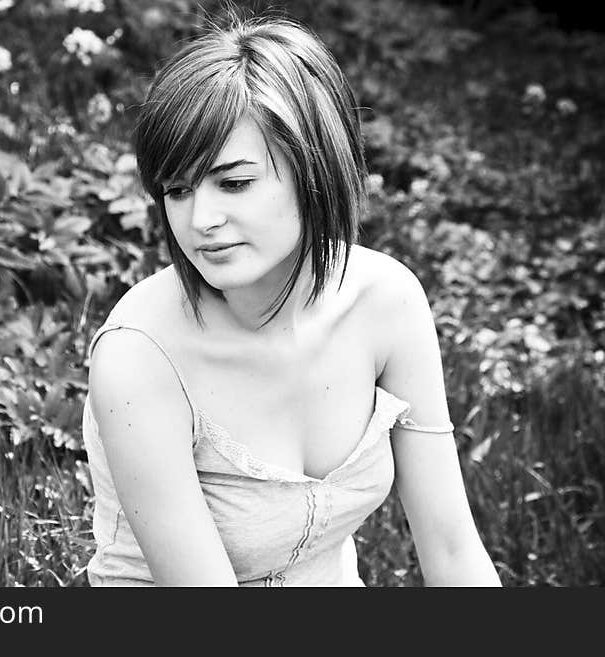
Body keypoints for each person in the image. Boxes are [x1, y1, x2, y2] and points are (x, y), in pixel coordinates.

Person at [81, 13, 501, 587]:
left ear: (313, 171)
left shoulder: (386, 303)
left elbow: (452, 551)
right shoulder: (140, 357)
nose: (200, 220)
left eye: (233, 183)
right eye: (178, 190)